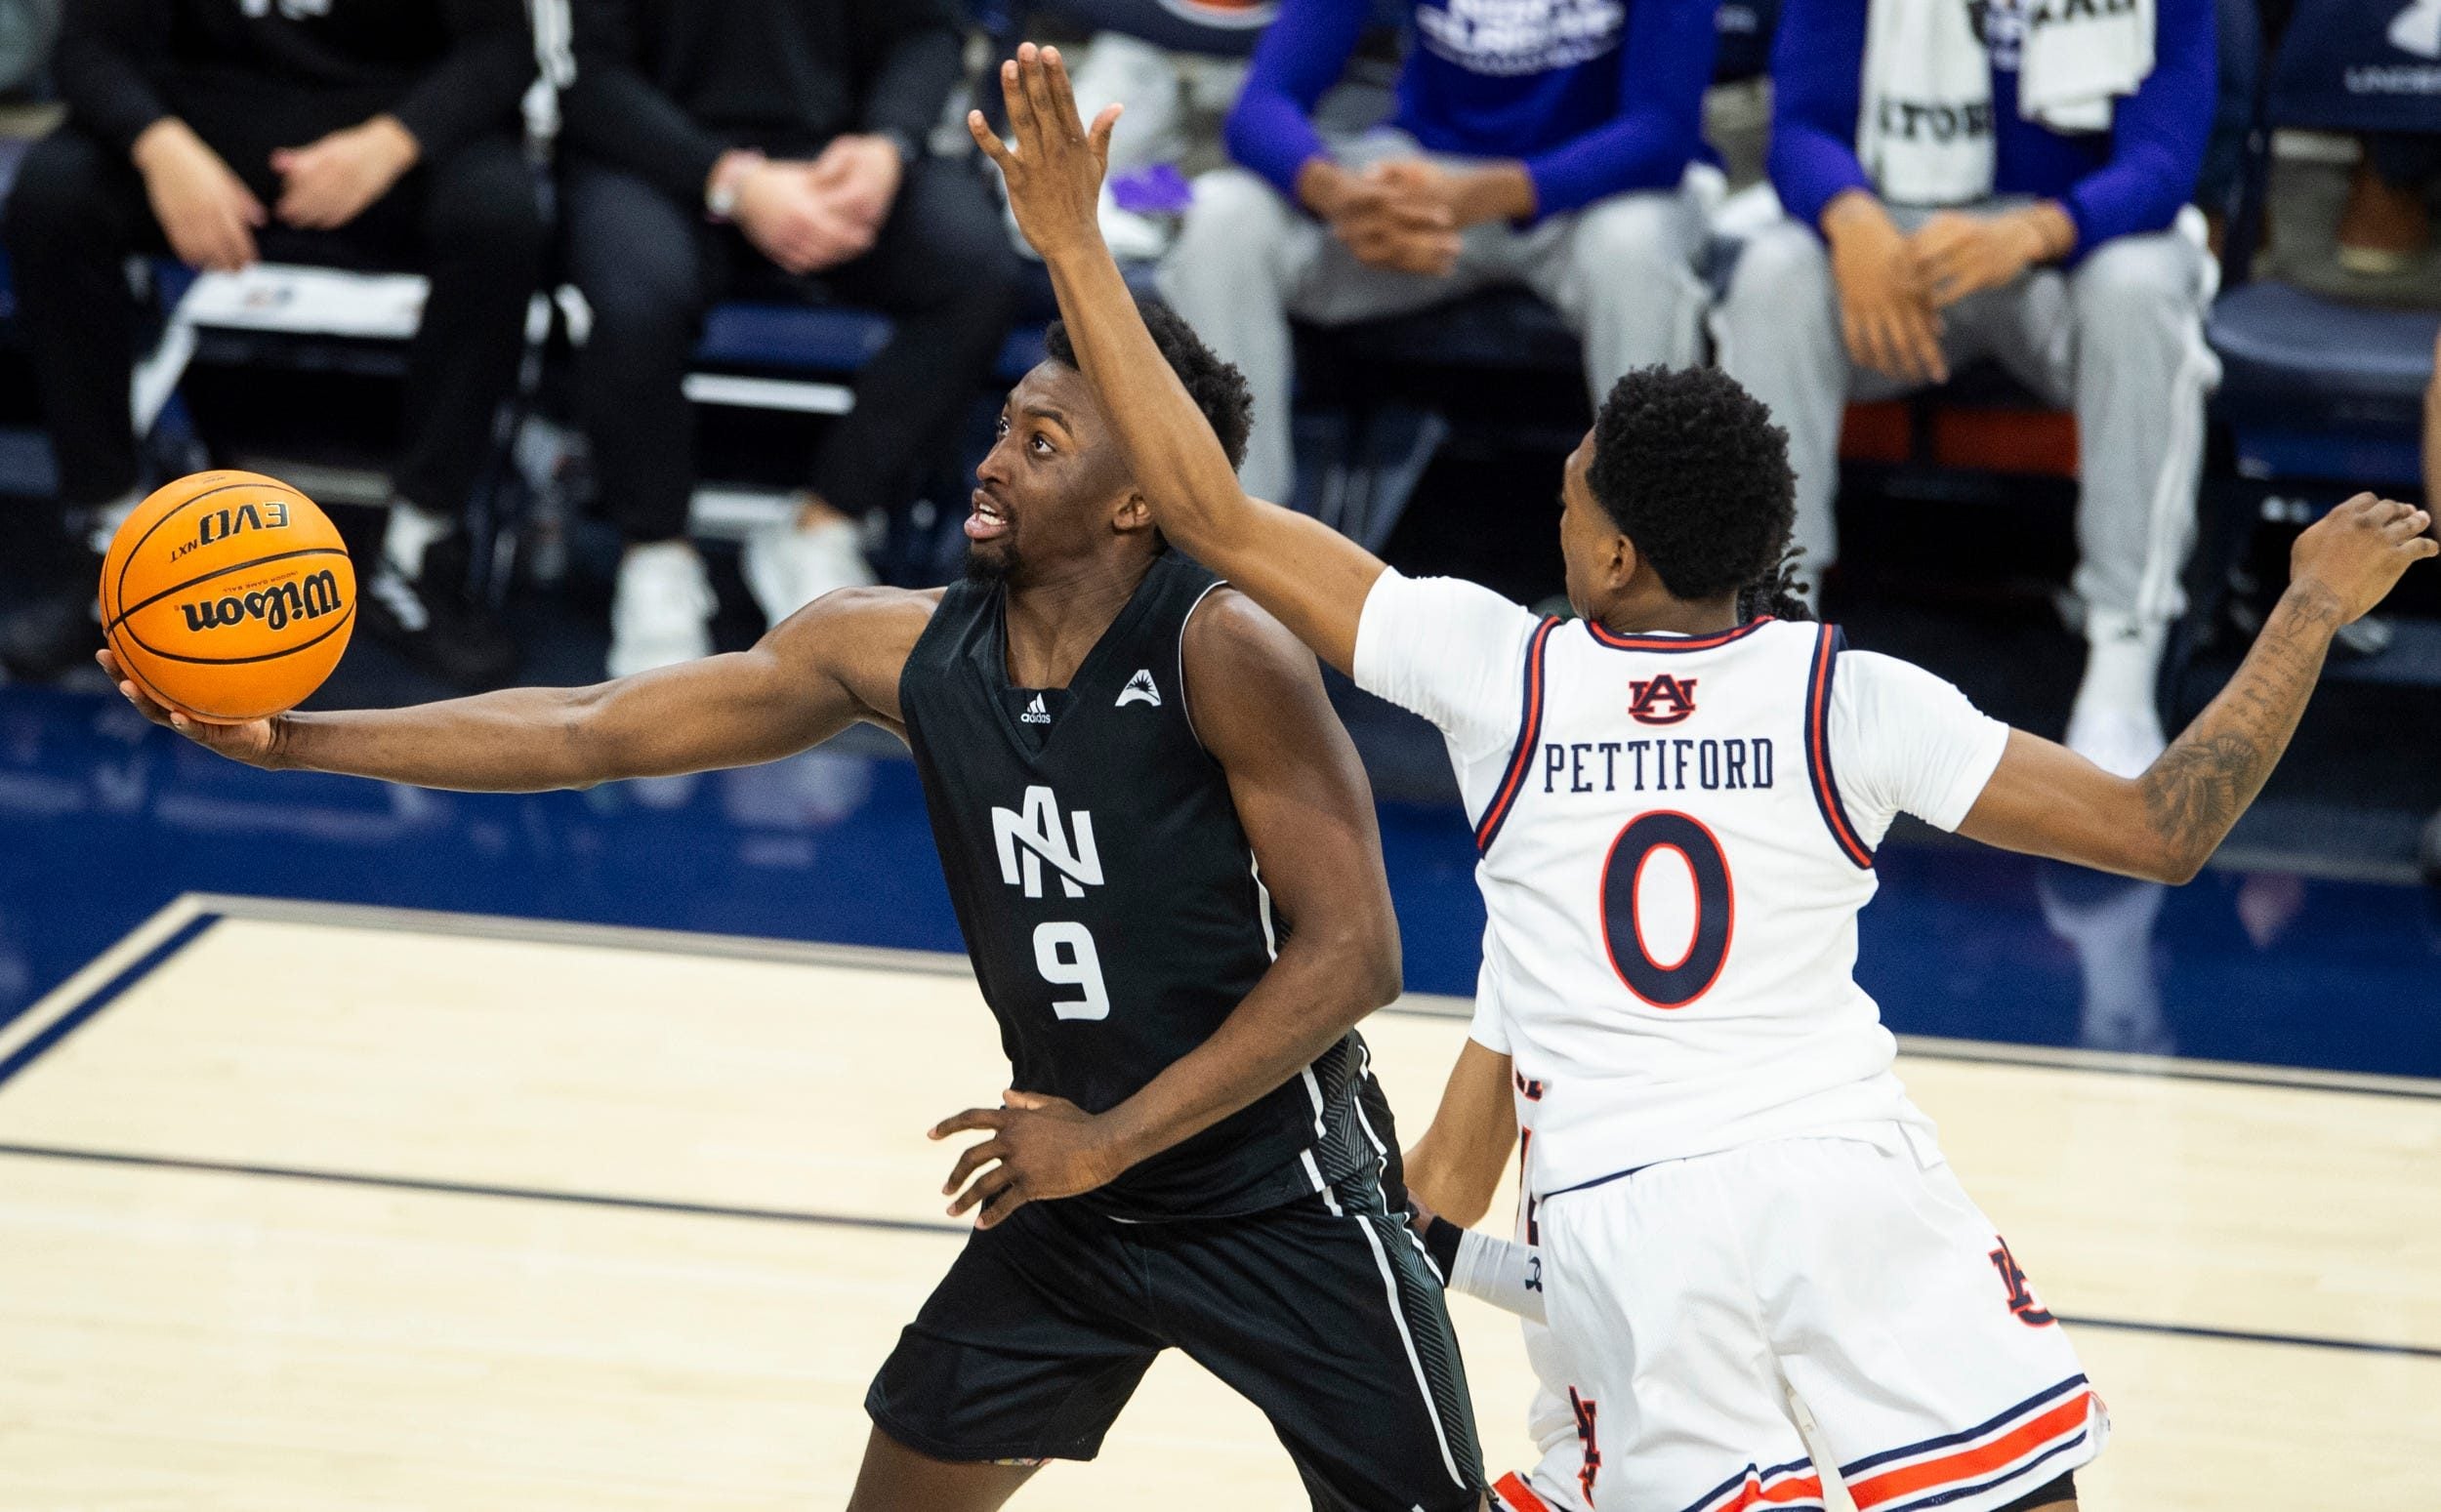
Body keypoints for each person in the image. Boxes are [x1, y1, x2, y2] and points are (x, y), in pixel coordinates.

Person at [975, 43, 2438, 1511]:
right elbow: (2161, 827)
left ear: (1613, 556)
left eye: (1567, 501)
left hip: (1629, 1216)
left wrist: (1078, 247)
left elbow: (1210, 511)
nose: (1555, 519)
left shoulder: (1502, 670)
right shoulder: (1850, 699)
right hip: (1845, 1174)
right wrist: (2308, 606)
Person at [99, 306, 1487, 1511]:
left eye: (1045, 444)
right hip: (1076, 1205)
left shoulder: (1224, 645)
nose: (993, 461)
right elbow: (591, 725)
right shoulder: (888, 646)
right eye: (1006, 425)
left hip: (1277, 1196)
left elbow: (1358, 954)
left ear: (1140, 502)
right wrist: (303, 741)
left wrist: (1109, 1140)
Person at [1710, 0, 2218, 777]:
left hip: (2065, 255)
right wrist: (1854, 221)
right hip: (1899, 247)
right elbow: (1801, 128)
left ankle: (2125, 650)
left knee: (2144, 288)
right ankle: (1774, 626)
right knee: (1775, 274)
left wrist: (2033, 231)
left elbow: (2164, 162)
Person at [4, 0, 544, 689]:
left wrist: (392, 142)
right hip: (197, 134)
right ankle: (113, 540)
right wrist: (159, 145)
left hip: (386, 131)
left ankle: (421, 544)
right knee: (54, 199)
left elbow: (503, 51)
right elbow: (84, 49)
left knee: (500, 217)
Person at [559, 0, 1022, 677]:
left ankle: (822, 522)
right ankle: (654, 551)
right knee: (634, 296)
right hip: (657, 158)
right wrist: (730, 179)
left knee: (977, 270)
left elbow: (929, 28)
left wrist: (889, 143)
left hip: (838, 155)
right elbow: (588, 76)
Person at [1160, 0, 1722, 504]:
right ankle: (1235, 559)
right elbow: (1261, 104)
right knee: (1223, 216)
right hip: (1426, 194)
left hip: (1593, 197)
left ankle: (1661, 584)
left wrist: (1491, 194)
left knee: (1635, 248)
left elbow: (1661, 133)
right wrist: (1340, 196)